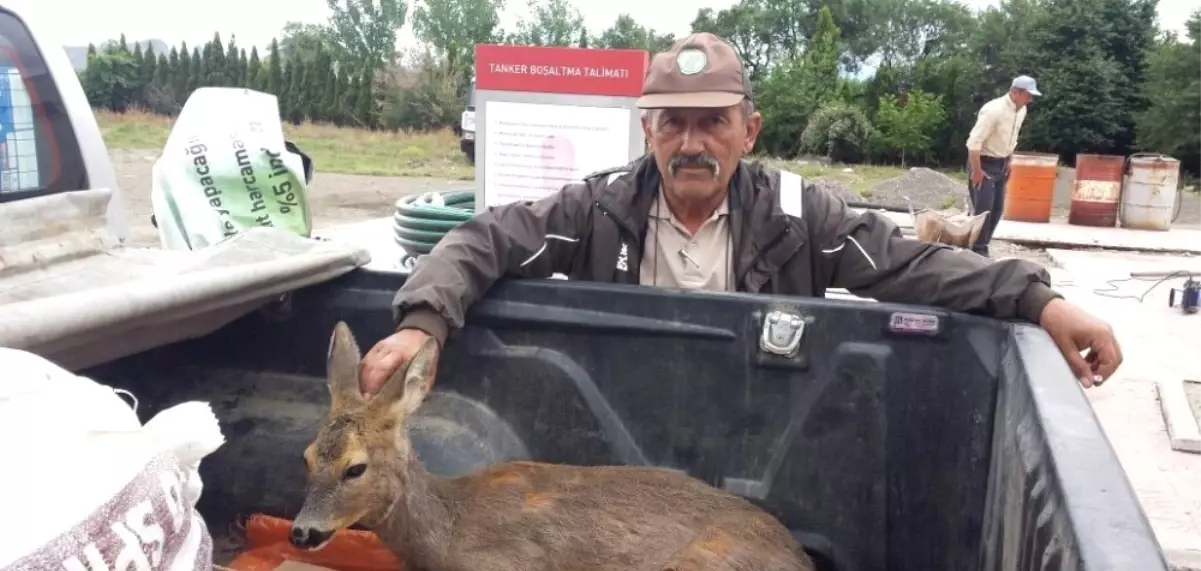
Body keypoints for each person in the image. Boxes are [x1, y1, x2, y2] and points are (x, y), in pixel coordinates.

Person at [361, 34, 1120, 395]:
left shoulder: (800, 216)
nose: (691, 143)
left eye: (712, 122)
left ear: (748, 130)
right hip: (618, 426)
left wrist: (1038, 300)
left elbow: (909, 265)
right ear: (647, 130)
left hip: (756, 431)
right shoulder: (596, 208)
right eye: (672, 123)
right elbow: (481, 240)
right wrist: (420, 323)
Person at [965, 75, 1040, 257]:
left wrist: (1009, 161)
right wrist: (976, 171)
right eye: (1028, 95)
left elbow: (1012, 139)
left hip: (1001, 163)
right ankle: (978, 252)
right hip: (983, 163)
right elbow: (973, 143)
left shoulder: (1020, 111)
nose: (1030, 99)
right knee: (984, 210)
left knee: (997, 209)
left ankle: (980, 245)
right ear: (1015, 92)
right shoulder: (993, 110)